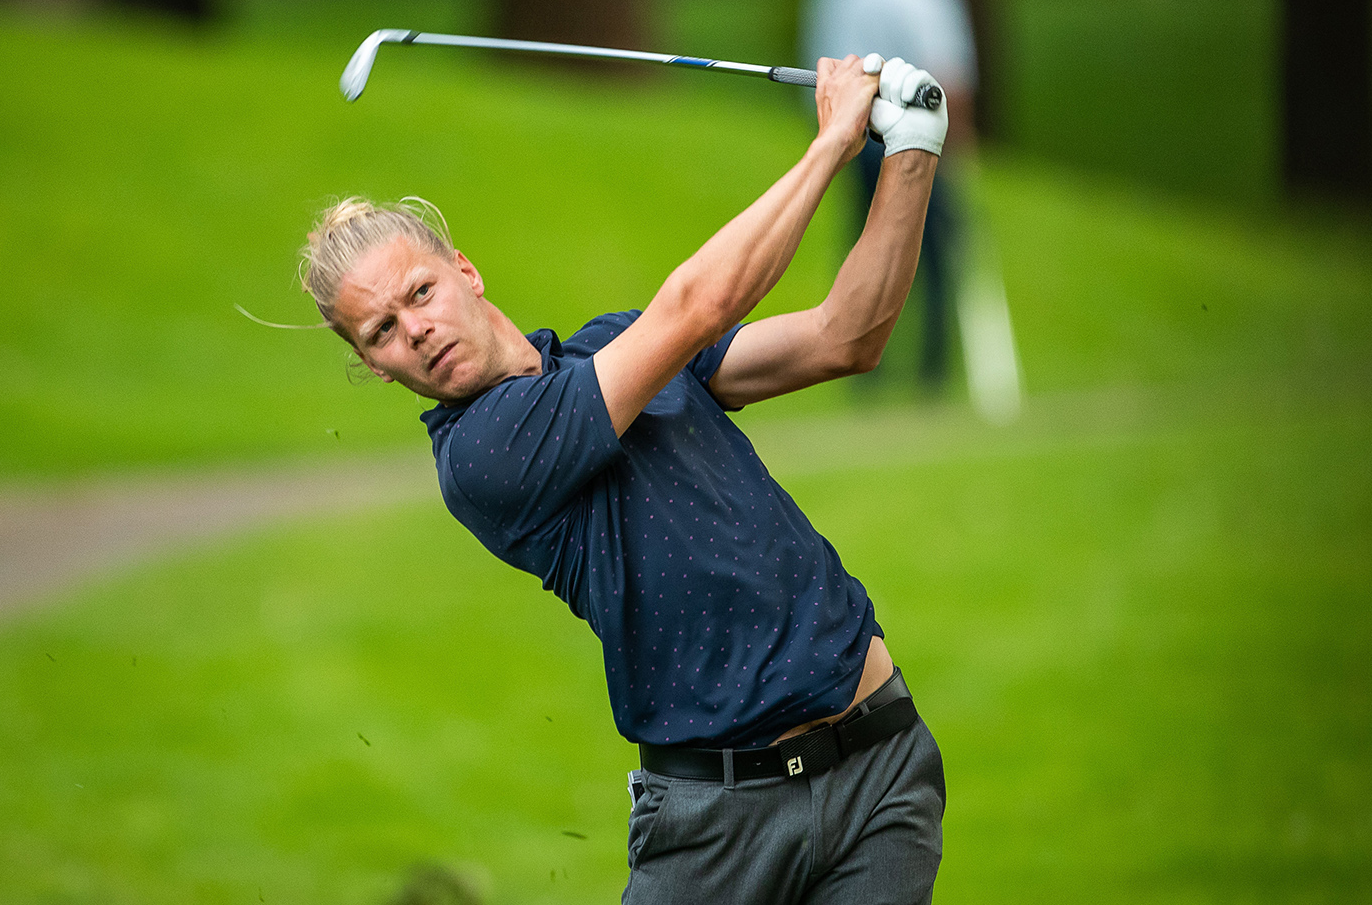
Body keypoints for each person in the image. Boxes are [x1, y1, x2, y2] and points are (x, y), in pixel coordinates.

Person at [299, 54, 949, 904]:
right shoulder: (482, 454)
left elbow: (844, 337)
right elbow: (696, 308)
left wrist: (912, 147)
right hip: (715, 824)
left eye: (419, 292)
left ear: (465, 271)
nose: (413, 330)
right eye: (381, 331)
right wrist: (832, 141)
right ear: (373, 367)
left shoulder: (615, 342)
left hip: (880, 764)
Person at [801, 0, 980, 389]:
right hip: (920, 136)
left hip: (852, 135)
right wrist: (961, 149)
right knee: (934, 252)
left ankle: (862, 375)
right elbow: (952, 75)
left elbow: (821, 65)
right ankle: (932, 374)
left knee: (863, 247)